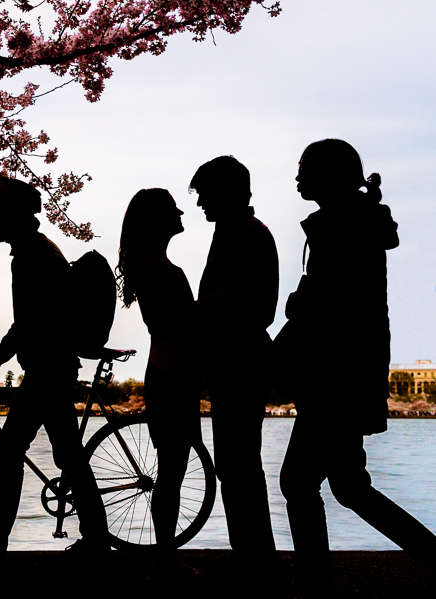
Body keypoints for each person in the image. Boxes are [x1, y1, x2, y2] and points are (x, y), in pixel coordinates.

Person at [278, 139, 436, 596]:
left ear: (329, 174)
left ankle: (313, 589)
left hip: (335, 376)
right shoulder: (354, 223)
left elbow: (330, 304)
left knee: (298, 483)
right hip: (350, 371)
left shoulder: (340, 227)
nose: (298, 175)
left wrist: (295, 309)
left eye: (305, 166)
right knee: (349, 486)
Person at [0, 177, 109, 552]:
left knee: (19, 450)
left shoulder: (34, 256)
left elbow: (29, 323)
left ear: (13, 214)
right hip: (51, 366)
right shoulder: (38, 251)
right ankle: (92, 536)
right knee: (57, 453)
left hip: (48, 369)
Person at [190, 156, 279, 571]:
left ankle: (255, 561)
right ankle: (254, 557)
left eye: (205, 194)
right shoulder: (242, 231)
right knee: (239, 465)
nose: (200, 204)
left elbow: (245, 290)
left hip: (239, 361)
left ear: (227, 192)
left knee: (238, 465)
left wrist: (195, 311)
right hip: (240, 359)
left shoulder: (242, 234)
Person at [116, 189, 201, 566]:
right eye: (172, 209)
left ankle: (165, 553)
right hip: (172, 374)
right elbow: (186, 319)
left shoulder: (150, 263)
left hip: (167, 370)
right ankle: (165, 556)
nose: (181, 212)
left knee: (172, 468)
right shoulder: (156, 265)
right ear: (156, 220)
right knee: (171, 470)